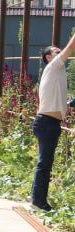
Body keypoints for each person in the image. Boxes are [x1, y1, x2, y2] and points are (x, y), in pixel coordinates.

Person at [31, 32, 75, 211]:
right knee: (44, 163)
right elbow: (71, 47)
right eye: (57, 51)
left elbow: (57, 101)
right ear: (49, 57)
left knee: (45, 163)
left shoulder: (56, 73)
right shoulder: (54, 66)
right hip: (47, 123)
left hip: (49, 123)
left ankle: (38, 199)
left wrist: (69, 103)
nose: (61, 52)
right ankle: (38, 202)